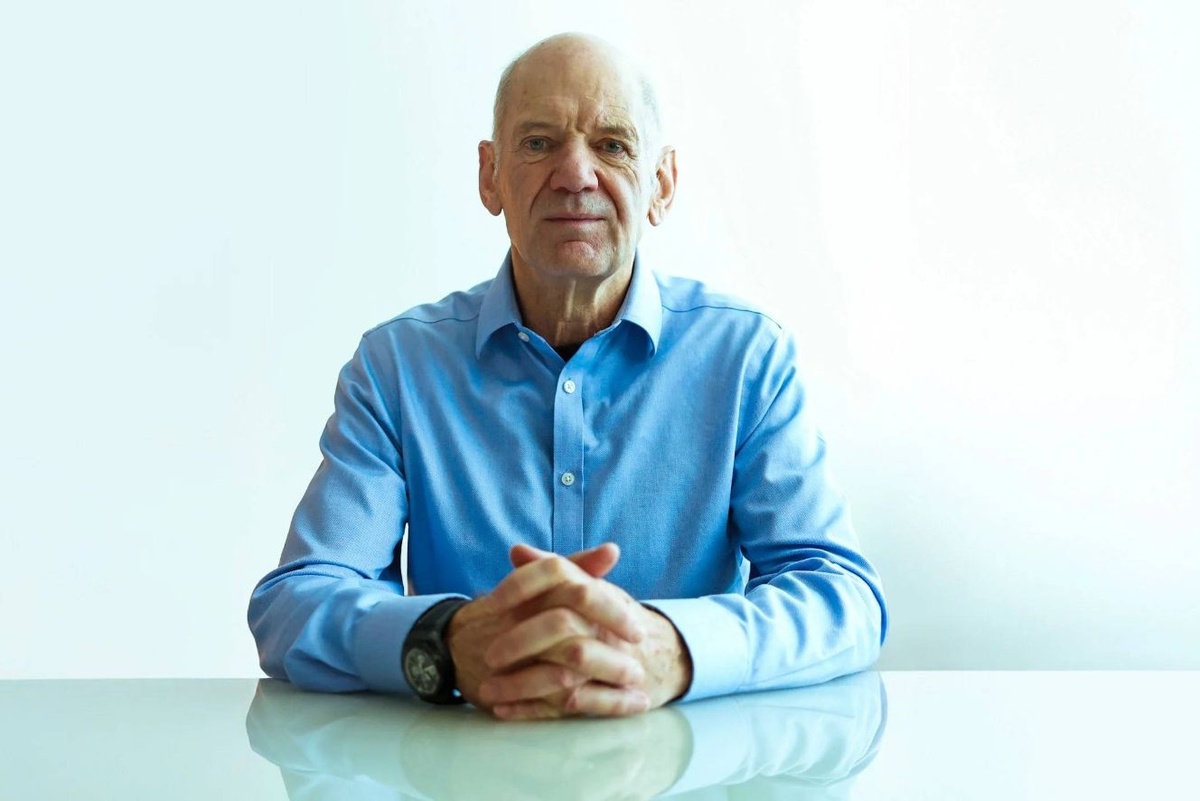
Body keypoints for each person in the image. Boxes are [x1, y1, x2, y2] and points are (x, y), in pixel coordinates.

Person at [248, 32, 887, 720]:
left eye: (612, 144)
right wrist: (448, 641)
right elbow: (294, 604)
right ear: (490, 176)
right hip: (461, 762)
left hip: (689, 764)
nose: (576, 174)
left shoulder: (746, 358)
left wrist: (675, 648)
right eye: (538, 143)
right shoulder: (397, 368)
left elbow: (842, 597)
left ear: (662, 183)